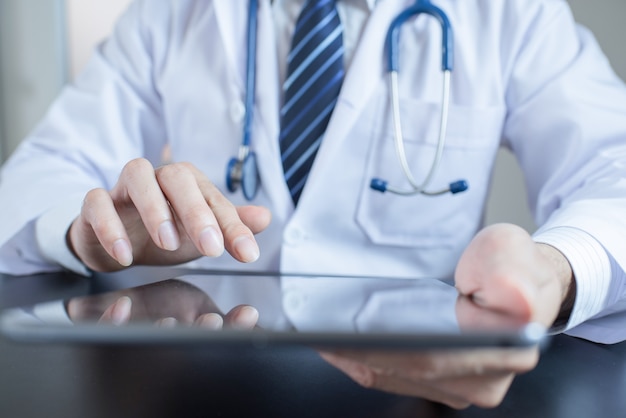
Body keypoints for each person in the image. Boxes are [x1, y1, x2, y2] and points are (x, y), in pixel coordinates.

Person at [0, 0, 625, 409]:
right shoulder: (170, 15)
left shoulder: (513, 15)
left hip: (416, 395)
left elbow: (614, 171)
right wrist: (89, 231)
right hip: (198, 387)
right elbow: (34, 177)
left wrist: (555, 269)